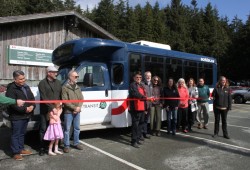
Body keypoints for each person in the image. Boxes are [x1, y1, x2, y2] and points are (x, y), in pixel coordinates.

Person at [6, 70, 36, 161]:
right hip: (17, 116)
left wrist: (32, 106)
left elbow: (32, 98)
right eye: (21, 79)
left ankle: (21, 149)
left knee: (22, 133)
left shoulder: (26, 87)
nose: (23, 80)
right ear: (15, 79)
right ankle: (16, 152)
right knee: (16, 134)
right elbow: (12, 104)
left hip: (26, 115)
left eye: (24, 78)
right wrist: (25, 109)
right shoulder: (11, 88)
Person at [38, 66, 62, 156]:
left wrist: (60, 106)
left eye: (56, 72)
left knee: (56, 129)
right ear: (49, 73)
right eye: (54, 72)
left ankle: (54, 147)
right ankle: (42, 147)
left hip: (57, 111)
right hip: (46, 110)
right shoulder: (42, 83)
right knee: (43, 129)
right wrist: (52, 108)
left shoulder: (58, 83)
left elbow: (60, 96)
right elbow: (44, 97)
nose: (56, 73)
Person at [62, 70, 84, 153]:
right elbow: (65, 101)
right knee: (67, 129)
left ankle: (76, 143)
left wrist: (78, 108)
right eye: (75, 76)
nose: (77, 78)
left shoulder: (78, 87)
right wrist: (74, 108)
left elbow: (81, 99)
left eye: (77, 76)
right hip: (68, 112)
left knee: (77, 128)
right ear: (70, 77)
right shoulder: (65, 87)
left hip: (77, 111)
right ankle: (66, 145)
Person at [128, 71, 147, 148]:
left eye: (140, 77)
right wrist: (144, 97)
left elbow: (144, 95)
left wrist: (145, 108)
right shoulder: (132, 85)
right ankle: (133, 141)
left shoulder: (142, 85)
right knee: (135, 125)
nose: (139, 79)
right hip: (135, 108)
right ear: (134, 78)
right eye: (137, 77)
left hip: (142, 108)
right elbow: (135, 94)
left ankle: (138, 138)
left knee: (141, 124)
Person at [141, 71, 152, 139]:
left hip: (149, 105)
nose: (148, 77)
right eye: (147, 76)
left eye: (150, 76)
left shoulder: (150, 84)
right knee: (142, 121)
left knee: (146, 120)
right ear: (144, 76)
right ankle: (141, 134)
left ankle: (145, 133)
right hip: (144, 105)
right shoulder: (142, 84)